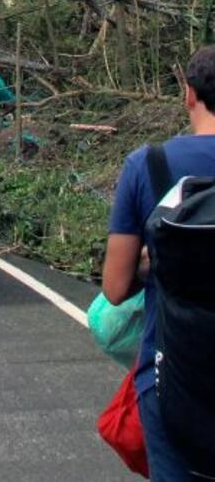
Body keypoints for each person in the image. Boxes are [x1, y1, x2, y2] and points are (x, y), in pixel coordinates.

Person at [102, 45, 215, 479]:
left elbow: (114, 288)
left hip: (171, 375)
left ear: (188, 94)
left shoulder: (148, 165)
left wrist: (160, 260)